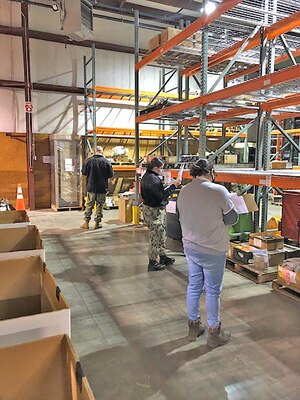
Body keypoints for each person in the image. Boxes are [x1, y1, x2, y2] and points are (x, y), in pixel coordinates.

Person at [177, 158, 238, 349]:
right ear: (210, 172)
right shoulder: (218, 190)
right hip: (212, 249)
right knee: (212, 290)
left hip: (190, 247)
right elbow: (232, 219)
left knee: (194, 285)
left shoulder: (184, 191)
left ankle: (193, 326)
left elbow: (181, 215)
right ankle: (214, 332)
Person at [141, 157, 181, 272]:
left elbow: (157, 191)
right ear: (155, 167)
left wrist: (166, 185)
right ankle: (152, 261)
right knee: (156, 235)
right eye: (161, 168)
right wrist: (174, 186)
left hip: (154, 209)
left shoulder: (149, 177)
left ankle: (163, 257)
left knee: (162, 233)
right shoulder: (152, 179)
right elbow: (161, 195)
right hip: (153, 211)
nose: (162, 170)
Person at [80, 146, 114, 230]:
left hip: (91, 187)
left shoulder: (88, 161)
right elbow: (111, 175)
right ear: (102, 152)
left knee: (89, 205)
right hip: (102, 188)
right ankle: (97, 223)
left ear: (95, 152)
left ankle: (86, 223)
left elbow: (83, 172)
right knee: (100, 205)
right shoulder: (106, 162)